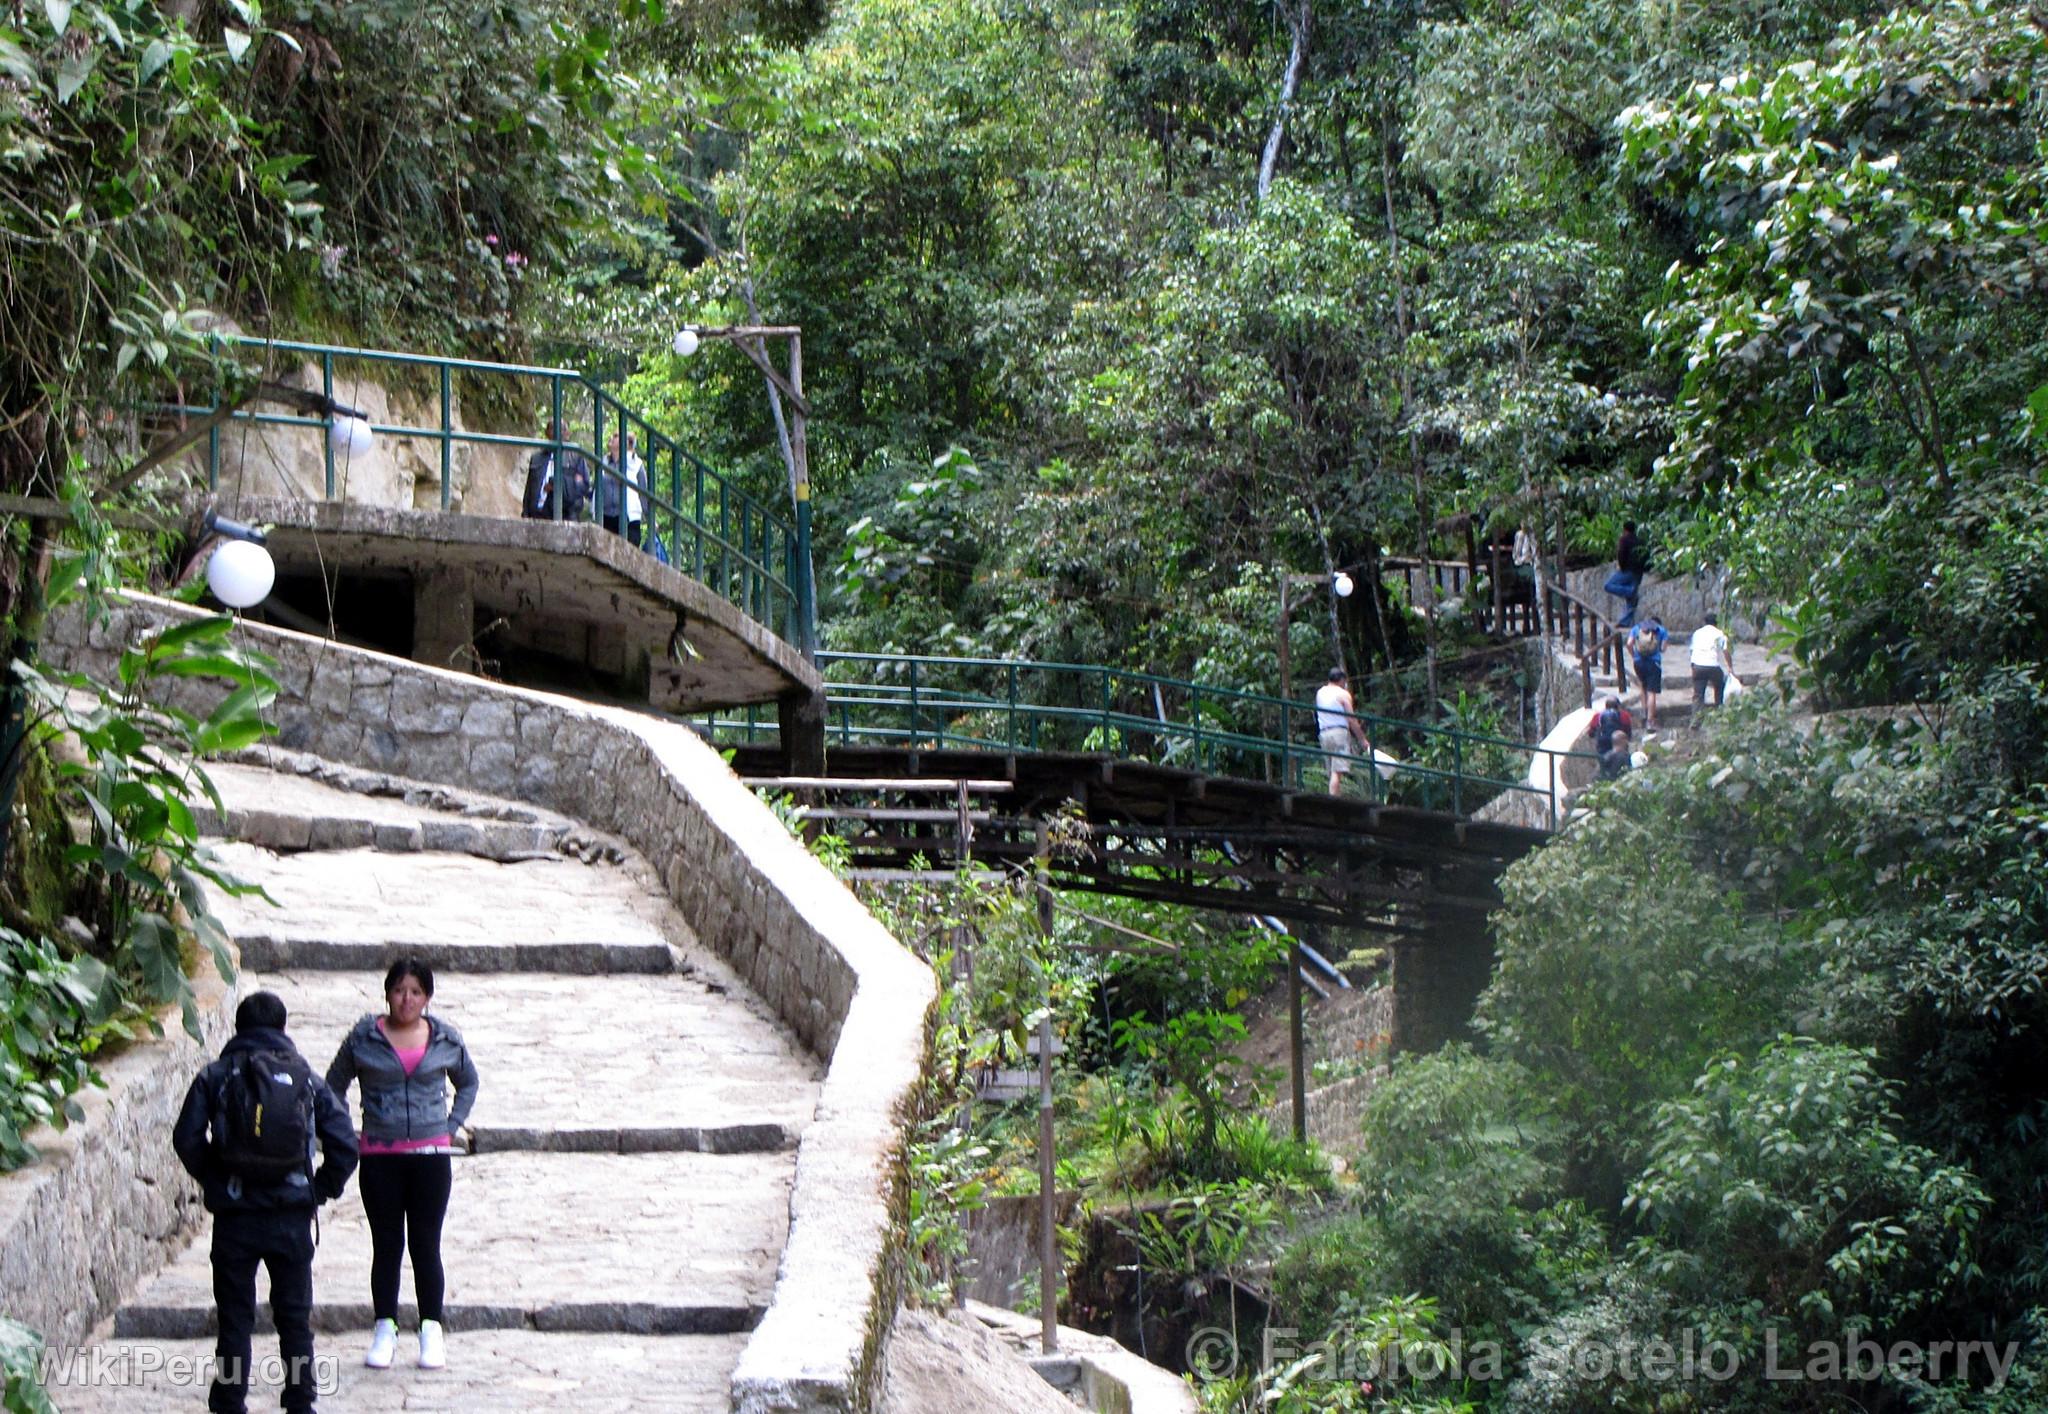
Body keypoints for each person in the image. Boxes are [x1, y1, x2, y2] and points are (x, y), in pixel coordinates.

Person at [173, 991, 358, 1414]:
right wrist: (319, 1190)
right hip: (291, 1216)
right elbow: (345, 1144)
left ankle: (230, 1402)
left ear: (238, 1028)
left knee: (235, 1318)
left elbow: (186, 1138)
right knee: (294, 1318)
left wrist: (216, 1180)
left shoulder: (216, 1074)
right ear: (281, 1028)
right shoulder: (305, 1078)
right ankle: (299, 1400)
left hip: (236, 1218)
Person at [326, 959, 480, 1372]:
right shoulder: (364, 1038)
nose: (406, 999)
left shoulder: (445, 1038)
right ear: (387, 993)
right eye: (398, 990)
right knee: (387, 1245)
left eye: (415, 992)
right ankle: (385, 1327)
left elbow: (468, 1081)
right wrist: (349, 1131)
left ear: (427, 997)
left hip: (430, 1158)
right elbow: (333, 1086)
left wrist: (449, 1126)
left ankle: (431, 1327)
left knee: (426, 1244)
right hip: (380, 1157)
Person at [1314, 667, 1372, 798]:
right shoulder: (1343, 694)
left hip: (1324, 734)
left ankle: (1333, 798)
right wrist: (1362, 739)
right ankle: (1334, 803)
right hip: (1339, 733)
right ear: (1342, 680)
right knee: (1337, 772)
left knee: (1331, 772)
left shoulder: (1320, 692)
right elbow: (1351, 718)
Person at [521, 421, 592, 522]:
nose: (557, 432)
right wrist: (525, 513)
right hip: (537, 514)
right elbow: (529, 488)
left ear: (568, 434)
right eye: (553, 428)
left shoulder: (576, 457)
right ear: (547, 433)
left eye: (562, 429)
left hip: (564, 515)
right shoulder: (537, 458)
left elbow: (584, 486)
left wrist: (559, 485)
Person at [605, 432, 648, 547]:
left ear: (627, 443)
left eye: (615, 436)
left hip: (629, 518)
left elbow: (643, 493)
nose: (611, 438)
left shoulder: (636, 464)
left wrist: (649, 517)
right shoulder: (604, 461)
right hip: (606, 515)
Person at [1629, 616, 1670, 730]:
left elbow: (1629, 643)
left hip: (1638, 663)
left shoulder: (1636, 628)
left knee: (1642, 686)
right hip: (1654, 663)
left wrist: (1634, 655)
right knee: (1651, 692)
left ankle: (1644, 712)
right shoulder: (1661, 630)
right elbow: (1663, 648)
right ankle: (1650, 721)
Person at [1690, 612, 1734, 710]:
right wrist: (1730, 667)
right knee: (1719, 687)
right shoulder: (1720, 634)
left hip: (1698, 666)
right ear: (1716, 623)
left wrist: (1693, 666)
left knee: (1698, 695)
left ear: (1705, 622)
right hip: (1713, 666)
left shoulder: (1697, 633)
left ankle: (1695, 722)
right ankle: (1718, 711)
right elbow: (1726, 651)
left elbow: (1692, 651)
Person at [1606, 521, 1646, 627]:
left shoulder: (1624, 540)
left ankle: (1630, 591)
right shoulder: (1641, 541)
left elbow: (1621, 554)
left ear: (1624, 529)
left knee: (1608, 585)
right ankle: (1624, 622)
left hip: (1627, 570)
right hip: (1638, 572)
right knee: (1632, 602)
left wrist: (1622, 567)